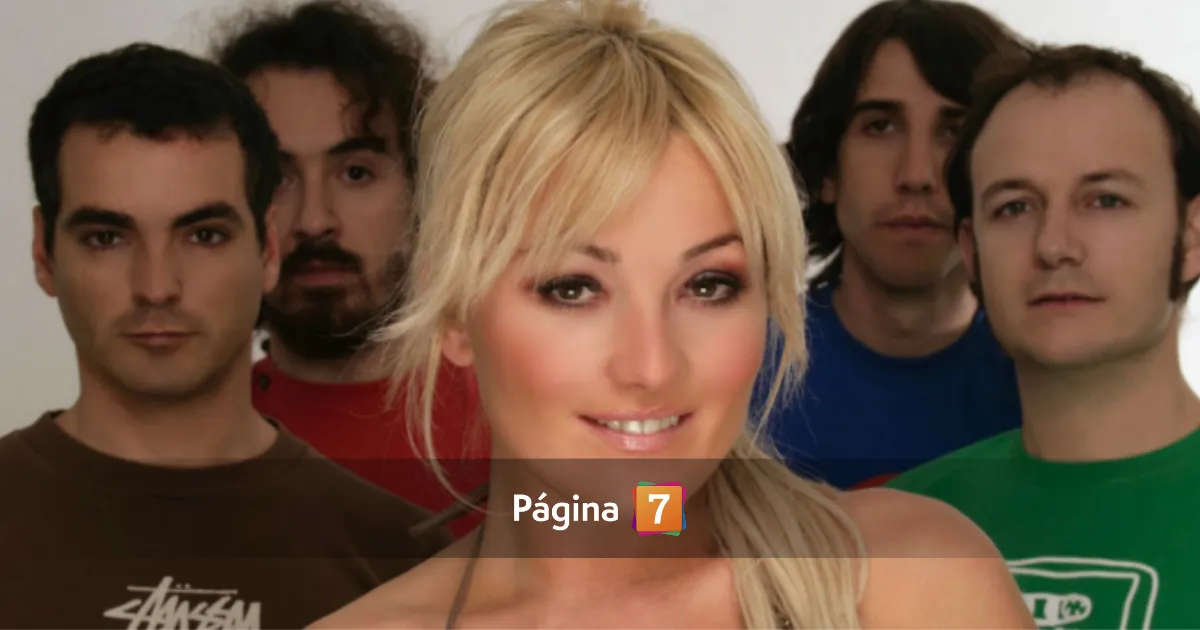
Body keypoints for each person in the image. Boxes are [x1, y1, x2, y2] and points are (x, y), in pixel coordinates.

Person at [312, 1, 1036, 628]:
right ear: (453, 315)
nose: (653, 366)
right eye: (573, 288)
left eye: (708, 285)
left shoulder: (912, 583)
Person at [0, 43, 449, 629]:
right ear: (43, 251)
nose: (156, 286)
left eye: (204, 235)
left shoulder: (408, 562)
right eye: (107, 238)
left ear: (268, 249)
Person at [887, 44, 1200, 629]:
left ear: (1191, 238)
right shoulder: (891, 530)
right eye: (1014, 208)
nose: (1054, 245)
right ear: (971, 252)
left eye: (1105, 200)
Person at [210, 0, 489, 537]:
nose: (315, 221)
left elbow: (654, 517)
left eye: (356, 173)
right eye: (277, 178)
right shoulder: (186, 443)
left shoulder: (523, 414)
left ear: (422, 189)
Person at [767, 0, 1029, 489]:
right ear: (827, 172)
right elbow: (643, 518)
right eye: (880, 126)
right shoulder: (737, 363)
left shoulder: (1049, 383)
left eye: (954, 131)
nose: (916, 174)